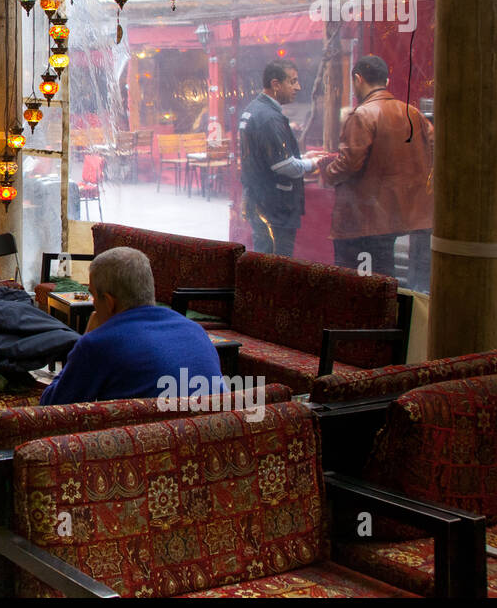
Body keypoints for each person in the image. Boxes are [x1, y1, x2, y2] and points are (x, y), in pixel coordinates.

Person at [39, 248, 223, 405]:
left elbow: (52, 408)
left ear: (109, 302)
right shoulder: (196, 331)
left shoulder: (98, 344)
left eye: (94, 296)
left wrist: (86, 337)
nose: (94, 304)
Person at [320, 55, 435, 290]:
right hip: (402, 215)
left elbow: (349, 164)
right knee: (385, 279)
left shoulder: (363, 115)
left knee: (356, 284)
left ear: (358, 79)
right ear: (386, 80)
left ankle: (361, 324)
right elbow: (431, 151)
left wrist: (327, 172)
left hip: (364, 218)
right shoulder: (414, 114)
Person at [238, 59, 318, 257]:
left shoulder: (254, 109)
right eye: (293, 81)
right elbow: (283, 165)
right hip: (274, 206)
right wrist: (311, 163)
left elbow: (266, 157)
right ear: (276, 84)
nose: (298, 87)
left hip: (260, 200)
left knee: (264, 260)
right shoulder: (268, 117)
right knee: (275, 265)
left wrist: (303, 157)